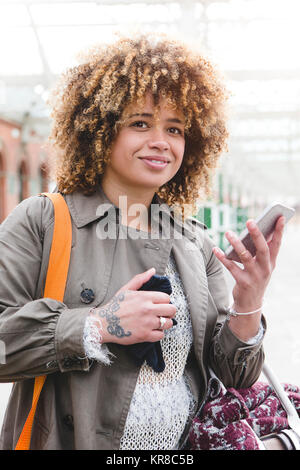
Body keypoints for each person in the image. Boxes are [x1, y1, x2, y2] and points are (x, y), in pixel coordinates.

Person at [0, 33, 285, 450]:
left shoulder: (194, 242)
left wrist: (249, 302)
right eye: (140, 123)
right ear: (99, 128)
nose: (161, 142)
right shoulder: (43, 221)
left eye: (175, 128)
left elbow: (233, 375)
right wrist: (98, 326)